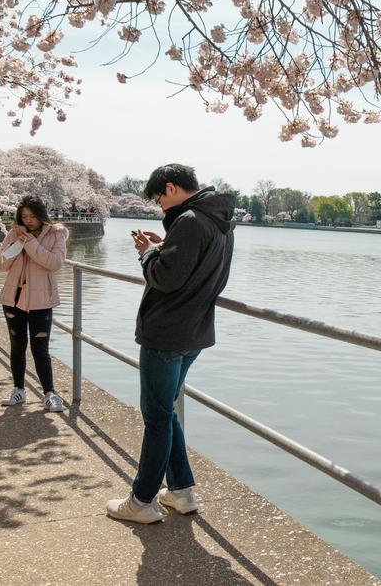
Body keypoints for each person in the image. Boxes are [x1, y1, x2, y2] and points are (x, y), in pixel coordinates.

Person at [105, 164, 235, 524]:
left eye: (159, 197)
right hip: (194, 330)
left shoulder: (190, 220)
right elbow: (197, 268)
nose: (159, 206)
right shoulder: (219, 220)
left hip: (167, 330)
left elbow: (166, 277)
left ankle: (142, 500)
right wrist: (165, 247)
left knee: (157, 416)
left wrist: (148, 254)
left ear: (172, 188)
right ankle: (181, 491)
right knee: (166, 412)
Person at [0, 195, 69, 412]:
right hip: (13, 299)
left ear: (41, 215)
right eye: (24, 216)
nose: (28, 221)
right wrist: (17, 244)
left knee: (40, 348)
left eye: (32, 216)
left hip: (41, 300)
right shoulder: (14, 234)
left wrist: (31, 243)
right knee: (17, 345)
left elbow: (55, 263)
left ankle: (49, 393)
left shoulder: (56, 233)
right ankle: (18, 389)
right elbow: (0, 265)